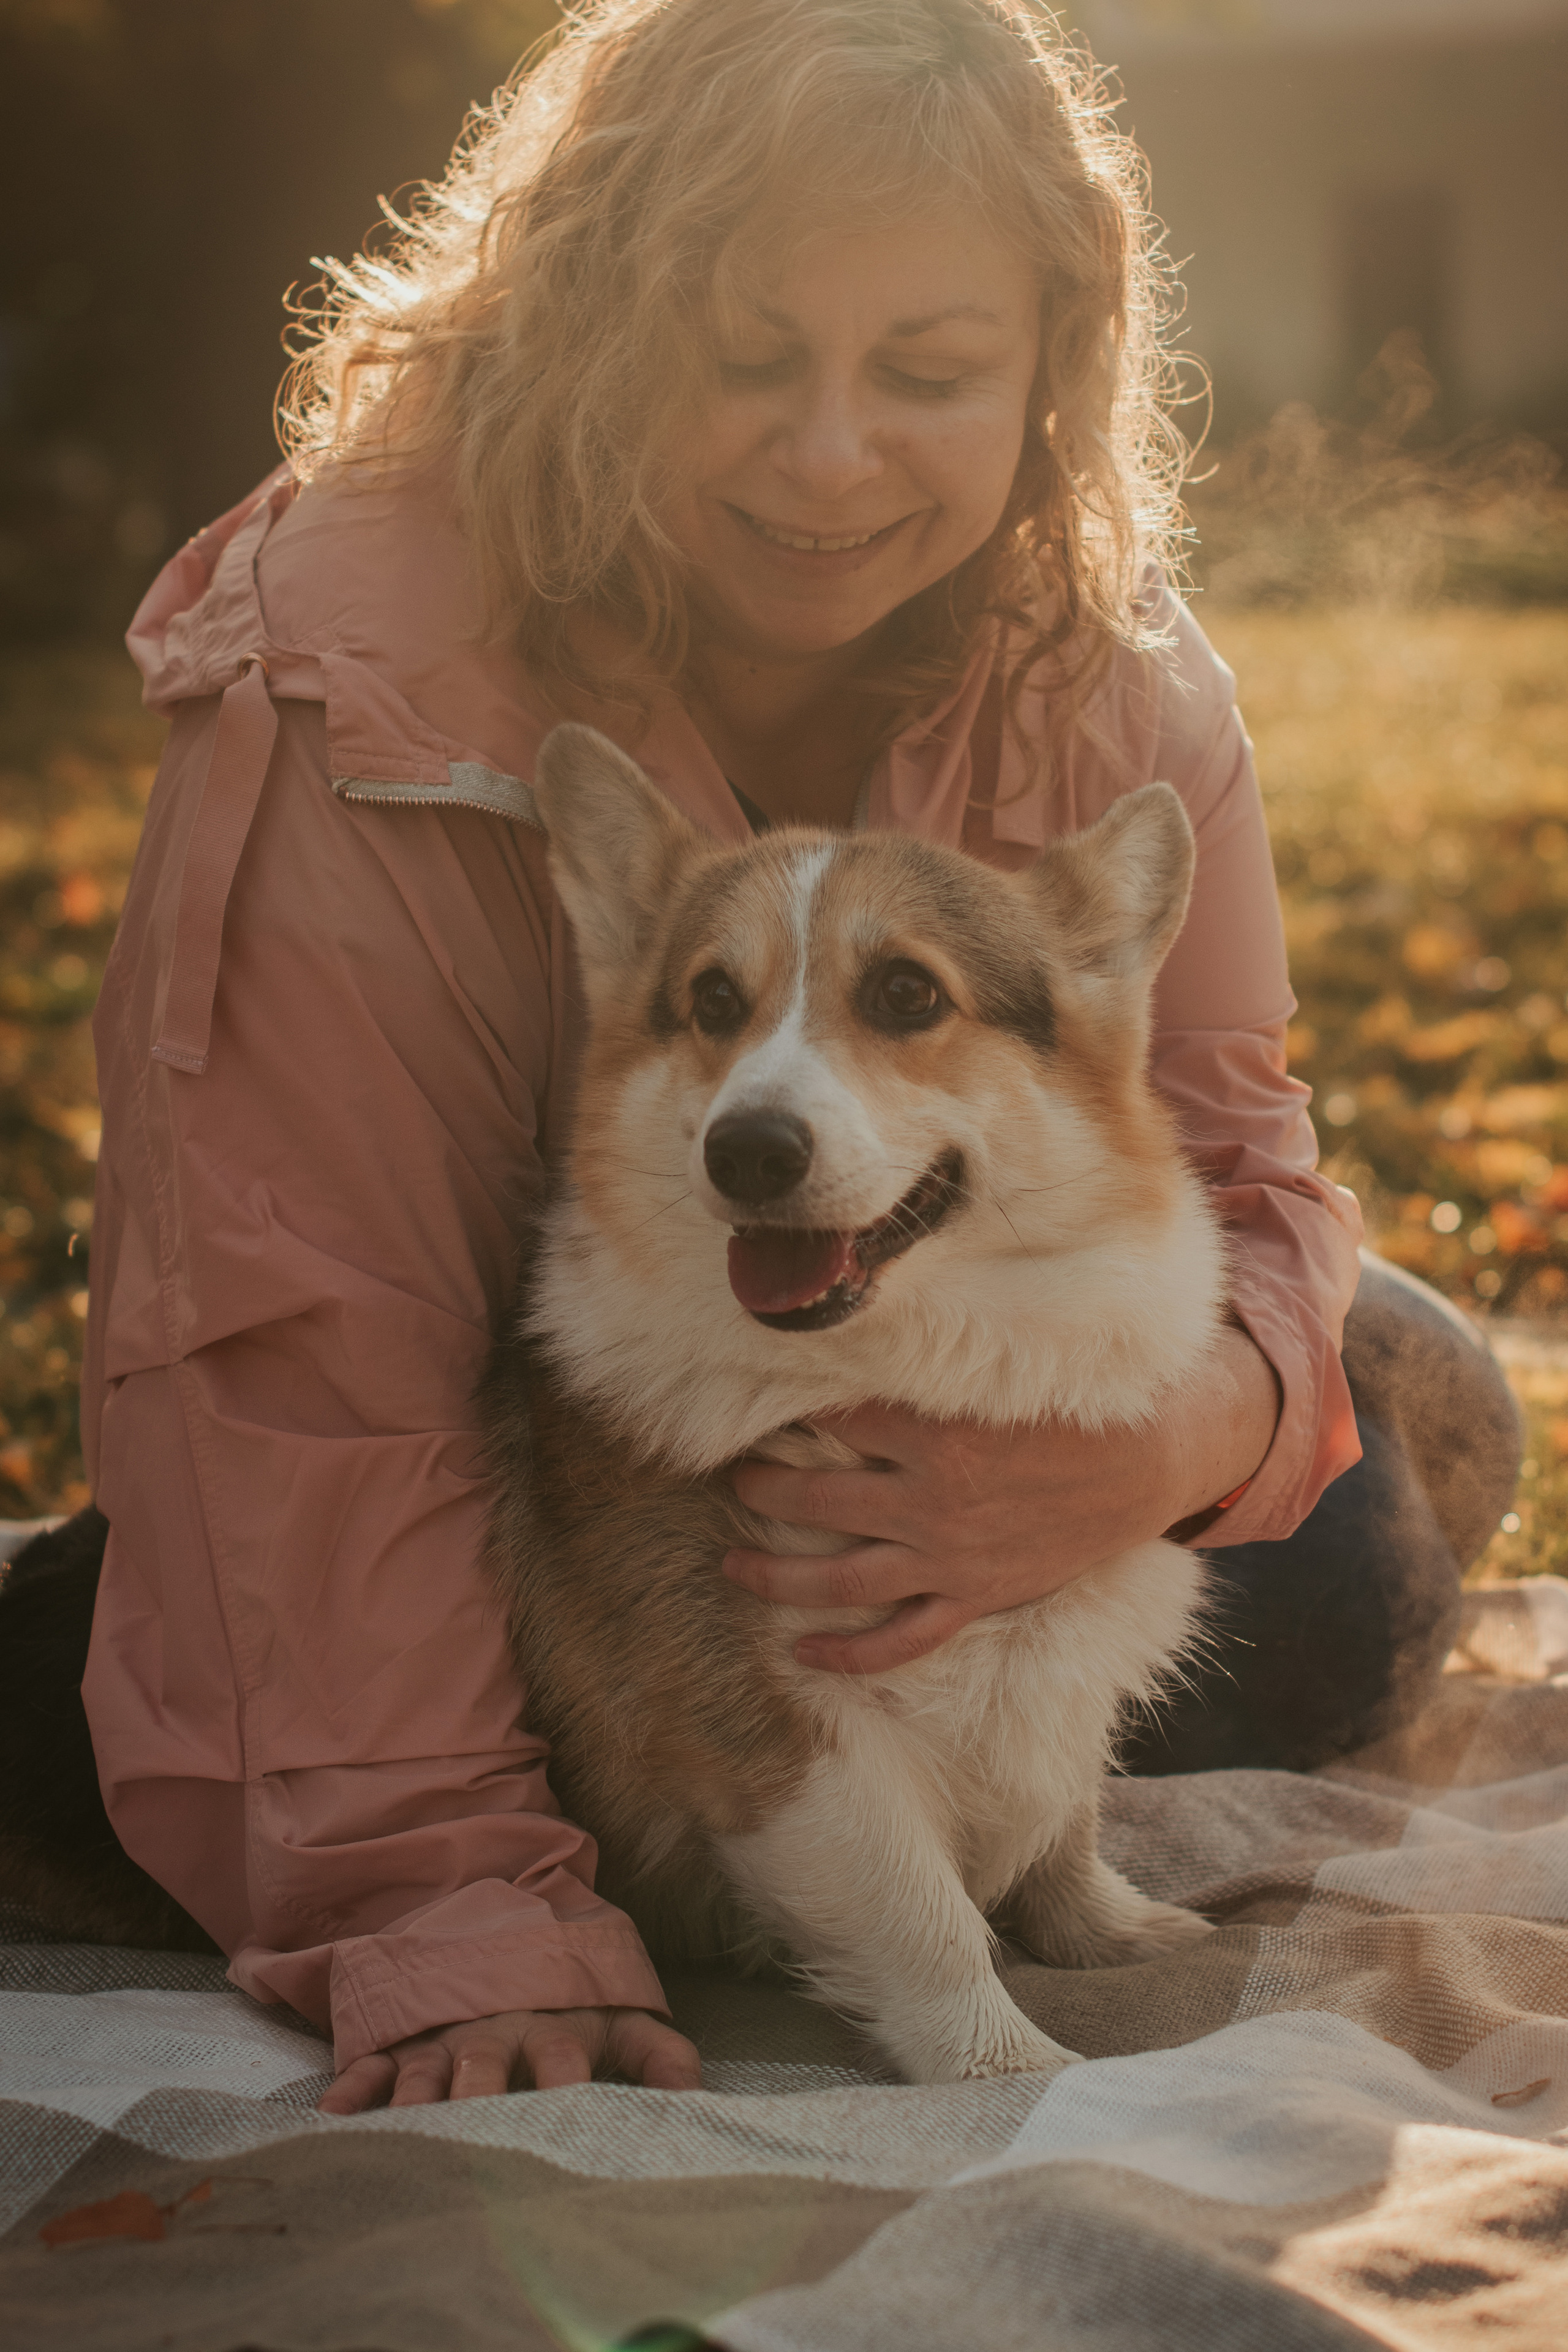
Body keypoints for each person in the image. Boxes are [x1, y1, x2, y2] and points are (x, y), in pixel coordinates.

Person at [42, 0, 1518, 2109]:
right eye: (744, 359)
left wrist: (1154, 1449)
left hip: (1001, 1479)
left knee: (1410, 1399)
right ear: (590, 325)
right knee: (1344, 1593)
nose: (830, 456)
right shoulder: (349, 673)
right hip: (512, 1535)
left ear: (1051, 369)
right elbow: (296, 1359)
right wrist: (451, 1892)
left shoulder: (1115, 672)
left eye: (925, 374)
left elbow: (1244, 1167)